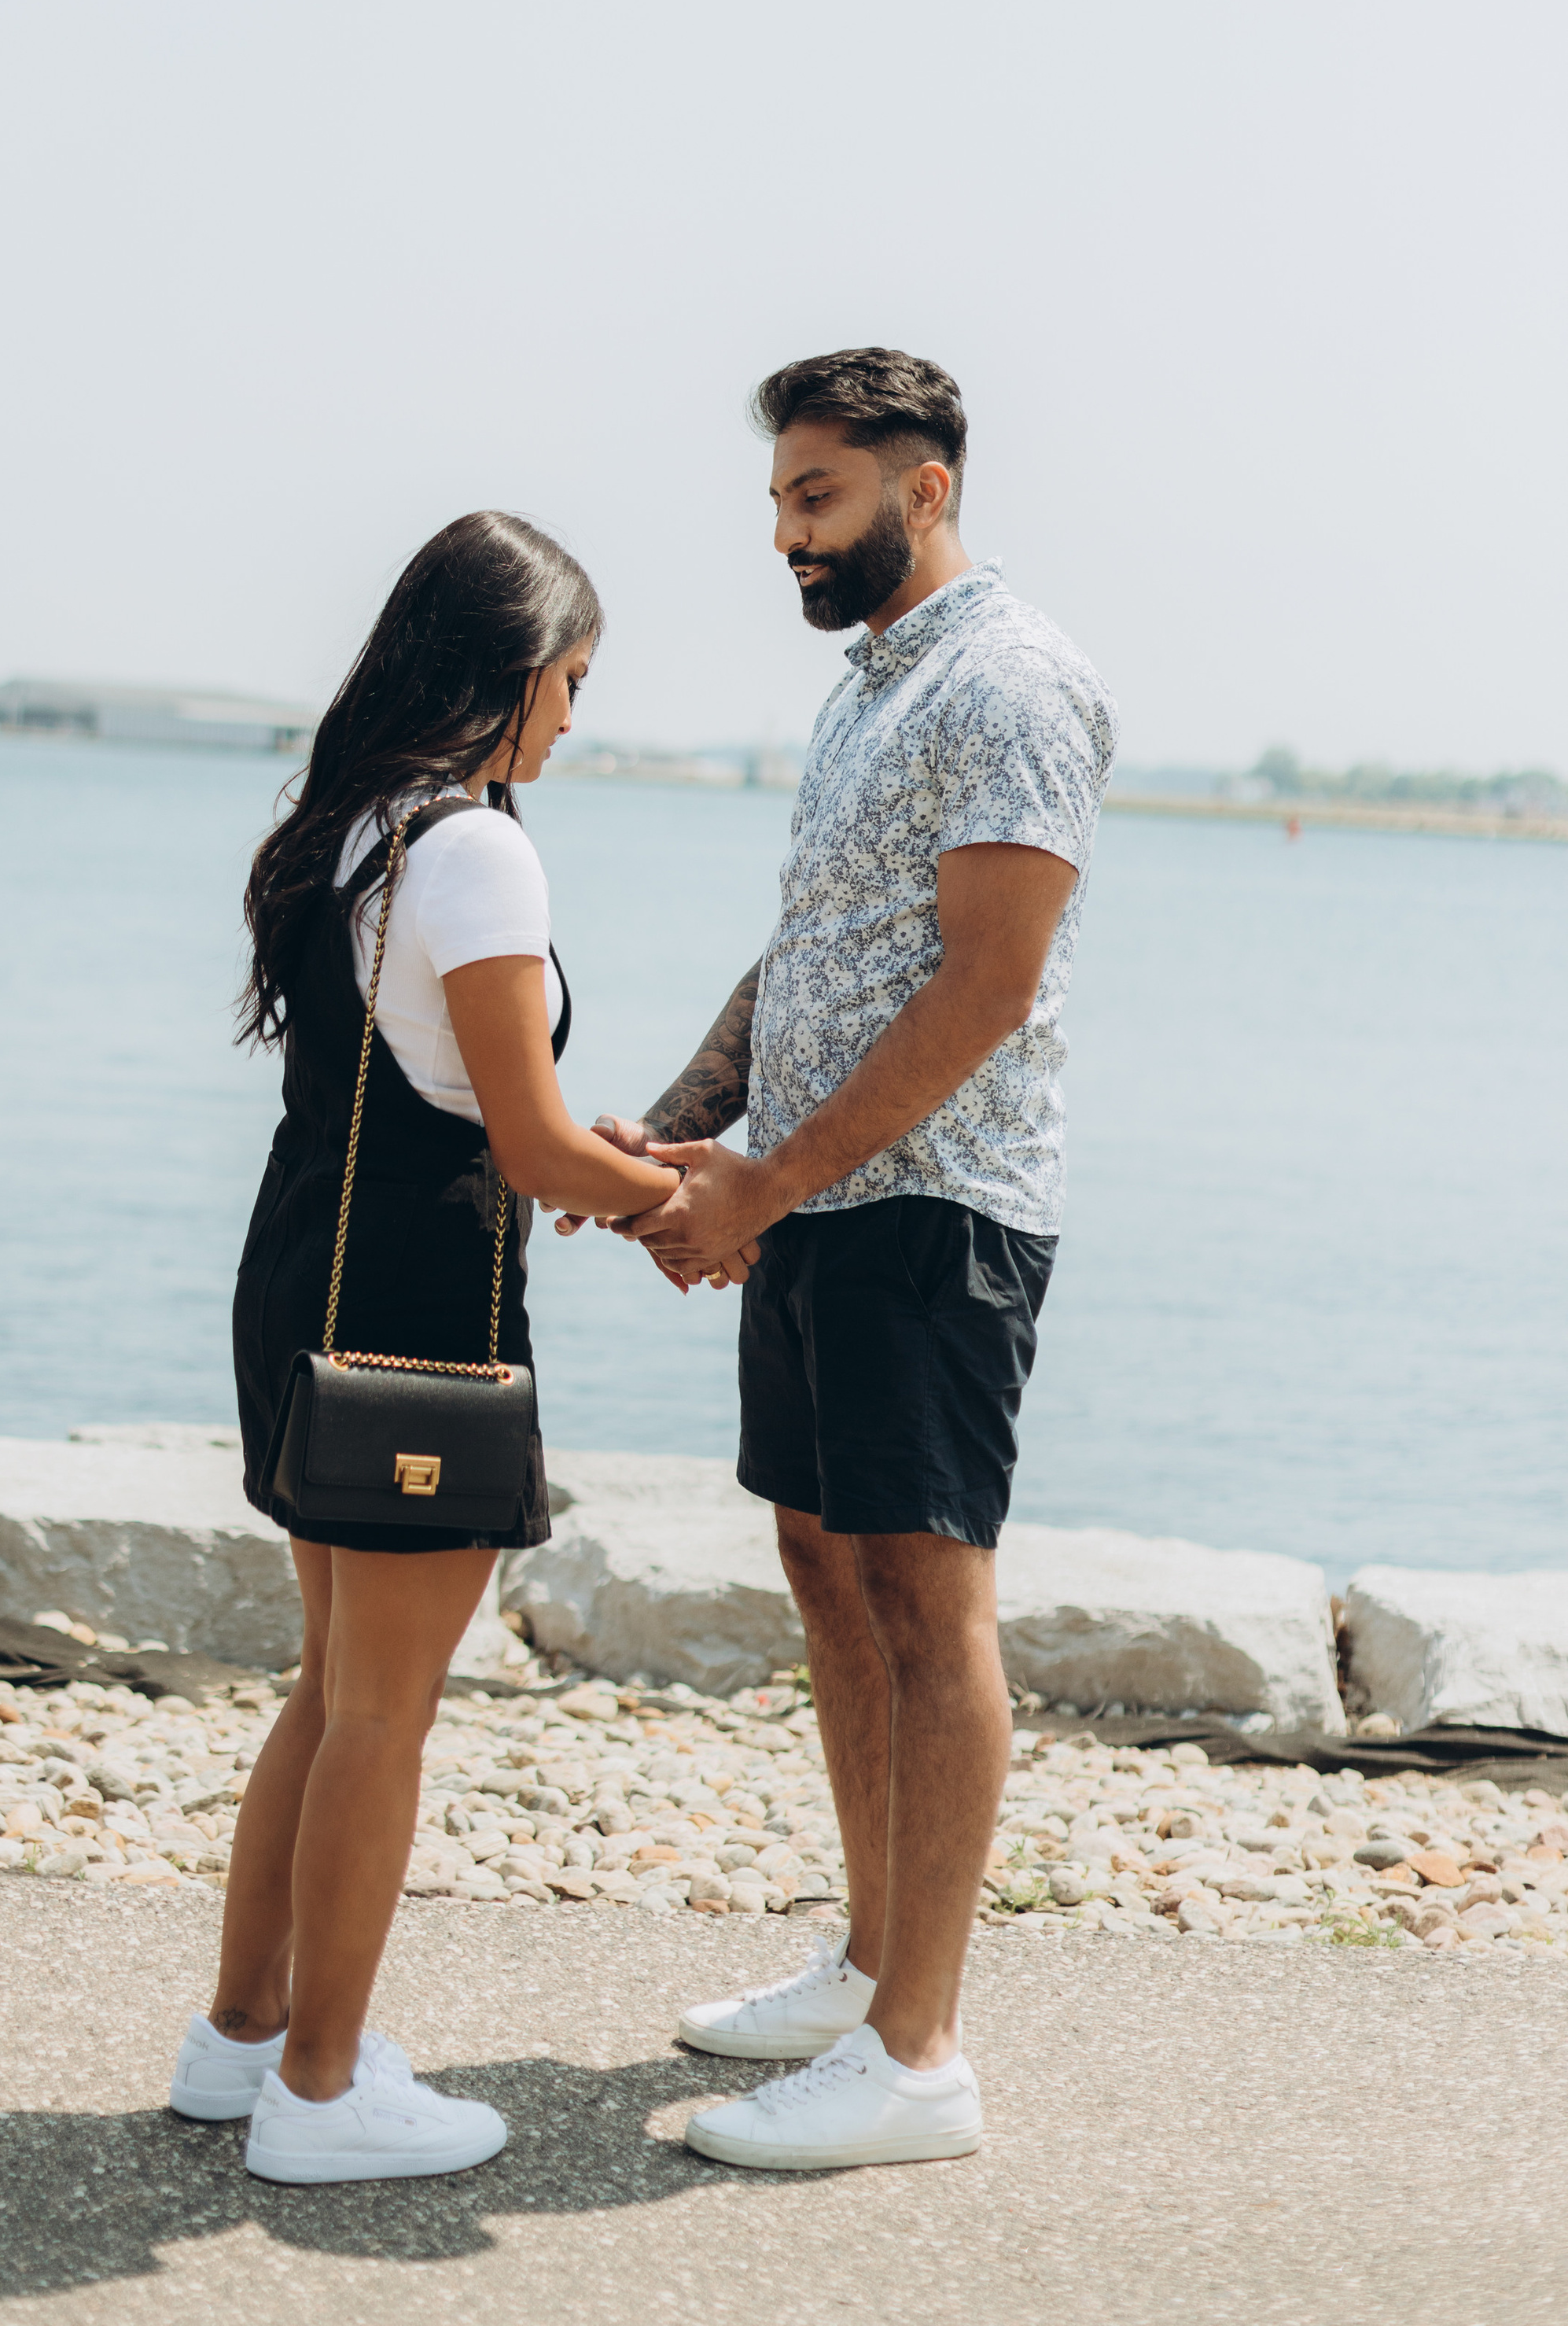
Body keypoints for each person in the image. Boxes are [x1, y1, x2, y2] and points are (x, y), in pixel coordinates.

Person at [572, 347, 1114, 2173]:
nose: (787, 538)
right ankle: (873, 1963)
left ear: (923, 490)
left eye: (815, 500)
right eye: (779, 504)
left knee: (922, 1599)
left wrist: (767, 1180)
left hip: (935, 1209)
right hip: (822, 1198)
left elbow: (987, 983)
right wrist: (680, 1125)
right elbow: (813, 945)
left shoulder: (1011, 682)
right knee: (822, 1563)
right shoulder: (871, 689)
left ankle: (918, 2058)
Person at [167, 510, 708, 2186]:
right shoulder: (475, 850)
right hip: (411, 1310)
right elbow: (535, 1151)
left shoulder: (355, 832)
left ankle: (241, 2039)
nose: (571, 721)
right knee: (381, 1714)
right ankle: (321, 2097)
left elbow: (470, 1097)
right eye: (571, 684)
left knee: (331, 1690)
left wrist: (581, 1149)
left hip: (302, 1282)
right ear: (513, 672)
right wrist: (690, 1204)